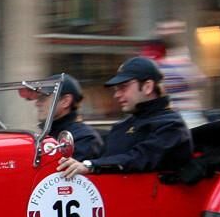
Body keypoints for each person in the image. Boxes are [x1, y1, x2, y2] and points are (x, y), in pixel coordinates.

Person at [57, 56, 192, 177]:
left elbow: (139, 158)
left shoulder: (171, 126)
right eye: (116, 89)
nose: (117, 95)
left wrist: (90, 165)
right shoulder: (125, 125)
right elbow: (103, 154)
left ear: (147, 87)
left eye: (123, 87)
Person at [21, 75, 102, 160]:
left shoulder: (83, 138)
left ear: (65, 101)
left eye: (43, 98)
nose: (37, 104)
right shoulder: (46, 133)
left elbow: (62, 171)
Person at [154, 20, 208, 128]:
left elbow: (201, 81)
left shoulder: (174, 61)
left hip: (184, 116)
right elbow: (201, 81)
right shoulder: (177, 61)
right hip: (182, 116)